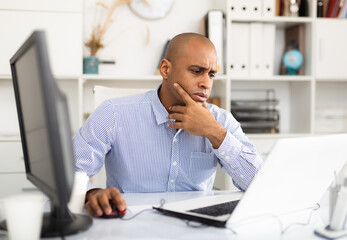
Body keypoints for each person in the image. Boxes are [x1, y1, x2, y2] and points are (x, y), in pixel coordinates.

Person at [73, 32, 264, 217]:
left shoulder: (221, 121)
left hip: (196, 229)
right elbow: (70, 171)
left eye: (211, 74)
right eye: (196, 71)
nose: (206, 83)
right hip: (131, 227)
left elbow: (260, 183)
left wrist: (214, 132)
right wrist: (90, 193)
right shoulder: (113, 113)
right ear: (165, 69)